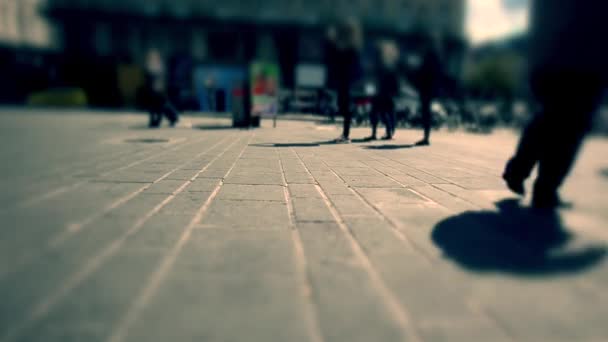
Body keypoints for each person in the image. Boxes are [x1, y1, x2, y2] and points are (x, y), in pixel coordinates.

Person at [503, 0, 607, 209]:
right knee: (570, 127)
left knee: (550, 119)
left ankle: (519, 171)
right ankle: (544, 188)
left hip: (548, 59)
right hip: (585, 62)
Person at [330, 18, 362, 144]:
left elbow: (349, 63)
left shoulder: (351, 48)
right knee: (342, 105)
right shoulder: (346, 46)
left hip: (347, 81)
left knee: (346, 106)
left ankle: (346, 135)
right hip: (344, 80)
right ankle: (346, 132)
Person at [366, 40, 401, 141]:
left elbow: (392, 80)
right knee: (376, 112)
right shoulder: (380, 64)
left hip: (384, 92)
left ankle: (387, 133)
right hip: (380, 91)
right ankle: (377, 133)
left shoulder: (388, 64)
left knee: (383, 112)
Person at [412, 34, 442, 146]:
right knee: (425, 112)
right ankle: (425, 137)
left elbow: (429, 73)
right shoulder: (431, 56)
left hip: (427, 88)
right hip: (427, 88)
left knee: (426, 113)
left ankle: (426, 138)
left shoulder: (431, 56)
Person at [144, 49, 179, 128]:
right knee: (155, 107)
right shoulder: (152, 66)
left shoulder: (158, 66)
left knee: (161, 107)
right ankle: (155, 121)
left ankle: (172, 118)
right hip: (154, 91)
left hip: (159, 91)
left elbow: (158, 78)